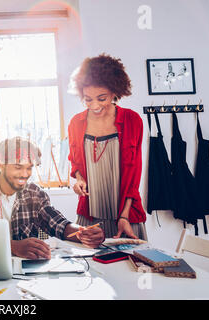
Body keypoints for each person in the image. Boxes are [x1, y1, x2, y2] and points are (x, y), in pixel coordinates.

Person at [0, 137, 105, 260]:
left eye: (29, 167)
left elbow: (58, 224)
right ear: (1, 165)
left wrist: (83, 232)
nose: (25, 174)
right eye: (18, 167)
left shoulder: (34, 193)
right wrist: (13, 246)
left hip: (27, 275)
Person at [67, 53, 147, 240]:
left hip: (125, 216)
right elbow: (76, 163)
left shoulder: (131, 120)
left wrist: (124, 216)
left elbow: (134, 173)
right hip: (90, 216)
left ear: (114, 92)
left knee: (133, 266)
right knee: (90, 266)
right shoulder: (76, 123)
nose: (94, 105)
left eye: (101, 98)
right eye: (88, 99)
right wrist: (79, 181)